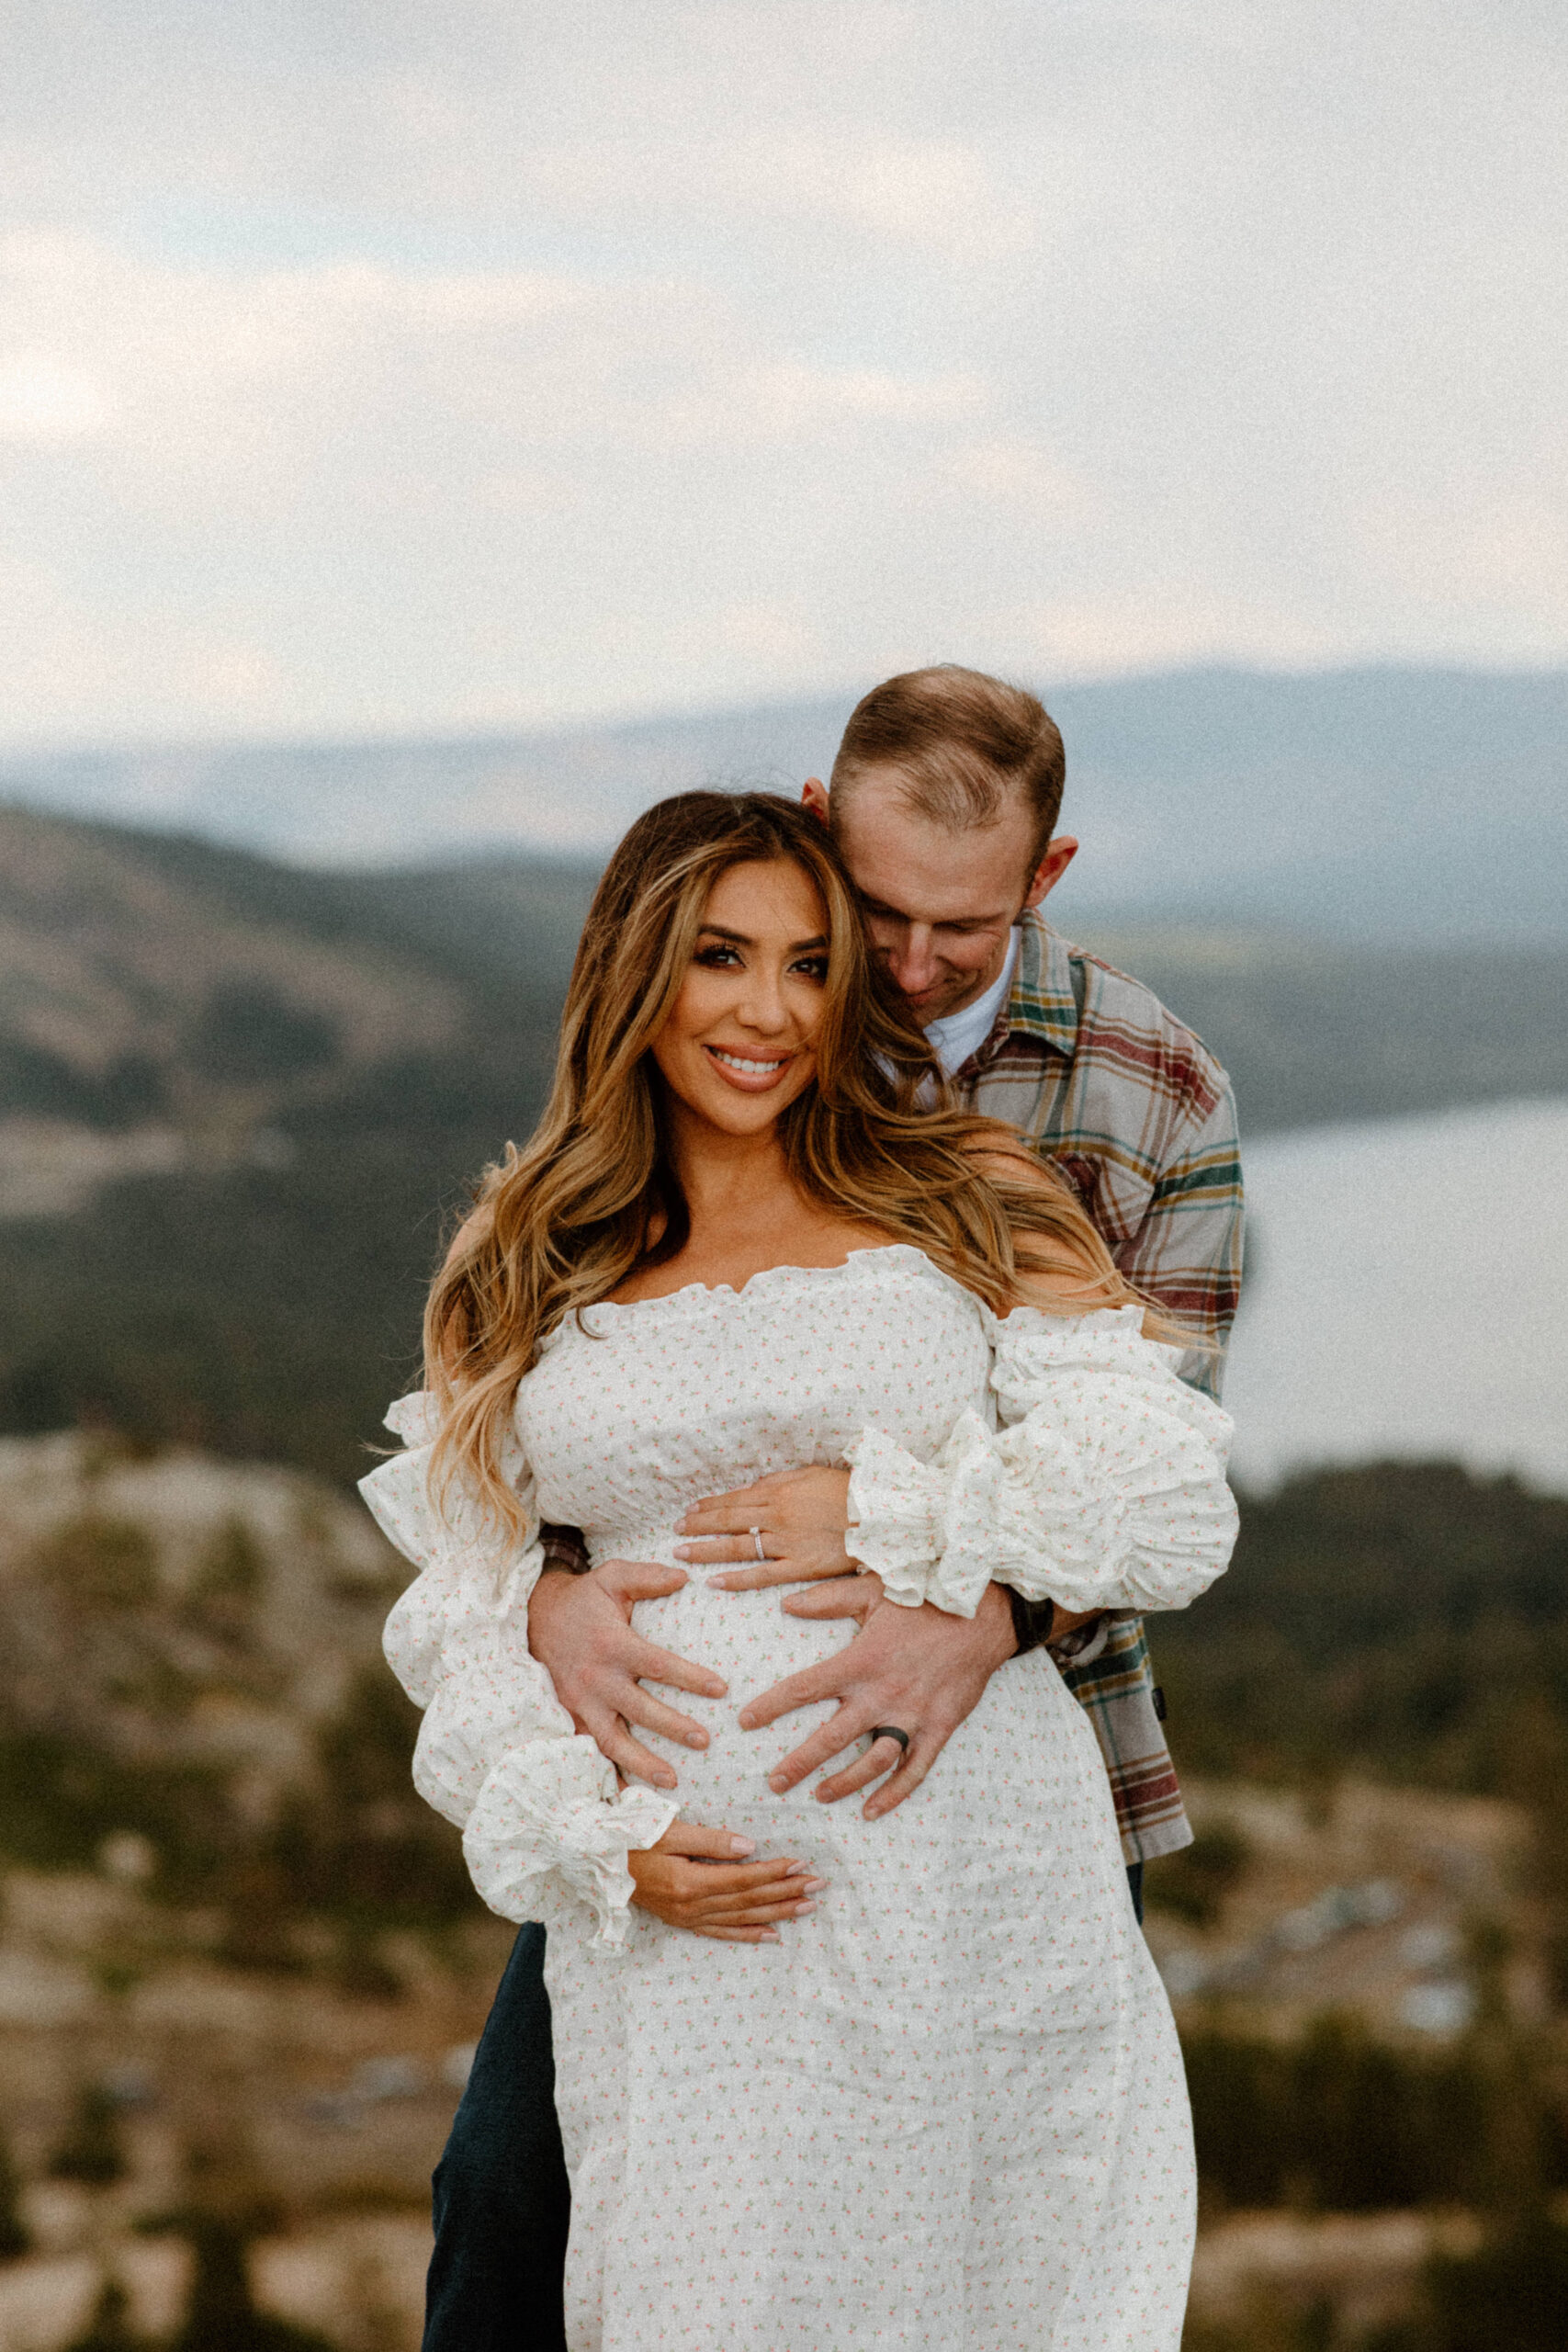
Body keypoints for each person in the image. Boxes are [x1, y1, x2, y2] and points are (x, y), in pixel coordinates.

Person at [414, 669, 1245, 2348]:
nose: (825, 994)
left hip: (964, 1813)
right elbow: (465, 1547)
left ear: (1043, 879)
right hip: (671, 1880)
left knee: (973, 2262)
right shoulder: (534, 1235)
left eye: (819, 962)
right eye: (763, 946)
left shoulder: (1093, 1122)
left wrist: (945, 1567)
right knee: (536, 2233)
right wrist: (544, 1621)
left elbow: (1160, 1472)